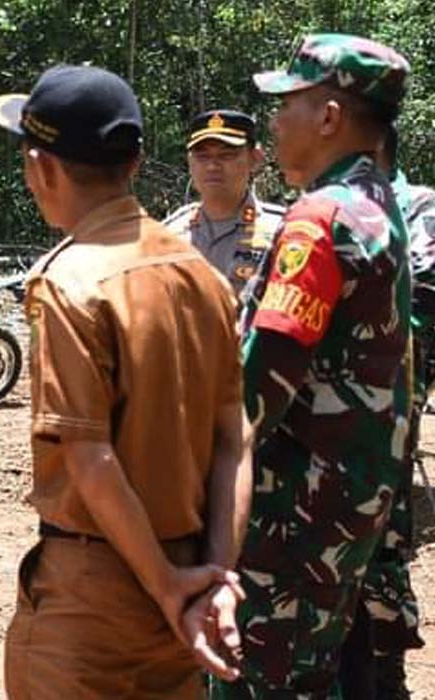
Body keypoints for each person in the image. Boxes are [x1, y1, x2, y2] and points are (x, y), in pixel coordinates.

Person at [0, 64, 251, 700]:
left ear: (40, 168)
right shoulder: (202, 274)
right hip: (188, 577)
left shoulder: (69, 283)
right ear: (134, 163)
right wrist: (211, 578)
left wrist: (164, 586)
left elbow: (90, 458)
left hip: (93, 600)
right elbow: (234, 439)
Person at [213, 34, 412, 699]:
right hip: (347, 504)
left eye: (286, 104)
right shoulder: (379, 203)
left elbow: (255, 388)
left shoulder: (318, 220)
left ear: (328, 117)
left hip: (288, 521)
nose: (274, 119)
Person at [343, 126, 432, 700]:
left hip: (386, 405)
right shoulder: (316, 210)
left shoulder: (418, 205)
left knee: (382, 537)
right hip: (319, 421)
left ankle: (385, 675)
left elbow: (424, 294)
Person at [163, 109, 284, 296]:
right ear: (190, 162)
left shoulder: (281, 231)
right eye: (202, 157)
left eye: (226, 155)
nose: (212, 166)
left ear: (255, 159)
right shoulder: (170, 233)